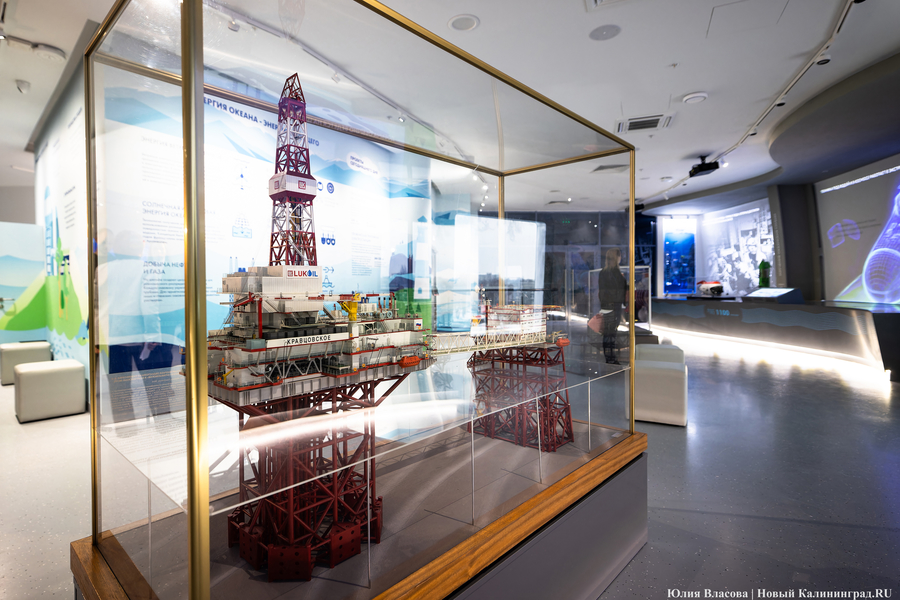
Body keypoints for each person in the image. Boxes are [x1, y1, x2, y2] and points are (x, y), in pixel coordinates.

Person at [598, 248, 627, 365]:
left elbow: (602, 292)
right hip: (614, 306)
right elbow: (618, 291)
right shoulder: (615, 273)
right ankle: (611, 358)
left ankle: (609, 357)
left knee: (608, 332)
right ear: (617, 258)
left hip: (606, 306)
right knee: (611, 333)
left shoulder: (604, 272)